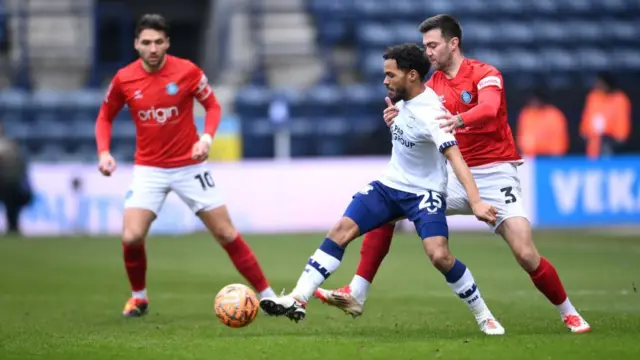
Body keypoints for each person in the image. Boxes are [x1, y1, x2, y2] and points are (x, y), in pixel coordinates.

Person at [314, 14, 591, 334]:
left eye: (433, 45)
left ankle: (568, 312)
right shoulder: (430, 86)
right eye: (425, 46)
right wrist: (394, 118)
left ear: (453, 43)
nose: (428, 52)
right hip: (450, 174)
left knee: (526, 254)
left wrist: (459, 120)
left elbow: (488, 109)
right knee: (389, 207)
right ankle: (357, 291)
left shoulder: (486, 74)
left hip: (495, 173)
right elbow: (410, 117)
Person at [260, 43, 505, 335]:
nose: (385, 80)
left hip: (424, 193)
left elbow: (456, 158)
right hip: (389, 186)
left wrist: (475, 202)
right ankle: (297, 298)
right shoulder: (401, 102)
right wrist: (395, 120)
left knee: (439, 256)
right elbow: (408, 129)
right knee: (341, 230)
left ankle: (484, 315)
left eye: (391, 75)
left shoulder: (433, 114)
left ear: (412, 75)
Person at [94, 14, 276, 317]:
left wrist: (206, 138)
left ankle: (269, 297)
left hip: (190, 167)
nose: (152, 48)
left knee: (227, 234)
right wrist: (103, 153)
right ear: (136, 44)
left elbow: (213, 106)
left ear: (167, 43)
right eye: (146, 42)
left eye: (158, 42)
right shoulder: (124, 79)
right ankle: (139, 297)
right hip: (149, 169)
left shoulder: (187, 71)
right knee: (132, 236)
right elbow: (104, 117)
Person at [0, 122, 32, 235]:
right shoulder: (11, 145)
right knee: (12, 211)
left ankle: (13, 228)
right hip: (12, 182)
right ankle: (13, 228)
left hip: (8, 183)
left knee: (12, 210)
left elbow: (20, 165)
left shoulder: (9, 145)